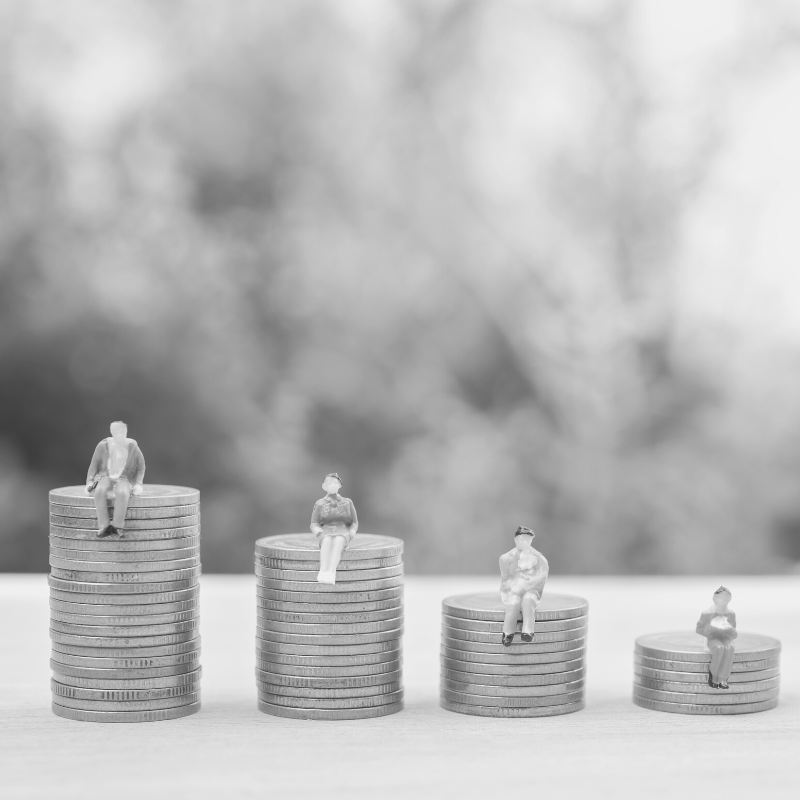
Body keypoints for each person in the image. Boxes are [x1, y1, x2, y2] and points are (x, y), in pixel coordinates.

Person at [85, 421, 145, 538]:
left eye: (121, 432)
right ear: (111, 432)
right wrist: (90, 482)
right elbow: (93, 466)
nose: (119, 435)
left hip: (124, 478)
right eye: (115, 432)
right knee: (100, 491)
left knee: (122, 493)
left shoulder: (133, 447)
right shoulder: (103, 446)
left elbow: (141, 467)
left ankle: (117, 526)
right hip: (105, 476)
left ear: (126, 432)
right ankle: (104, 526)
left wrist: (138, 483)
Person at [498, 526, 549, 646]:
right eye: (522, 539)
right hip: (514, 590)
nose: (525, 542)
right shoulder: (506, 558)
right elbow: (505, 580)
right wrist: (515, 588)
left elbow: (542, 577)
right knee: (513, 602)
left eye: (528, 540)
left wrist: (527, 586)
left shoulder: (539, 559)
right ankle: (507, 634)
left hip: (532, 590)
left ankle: (528, 631)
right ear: (516, 540)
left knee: (529, 600)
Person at [310, 473, 358, 584]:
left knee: (339, 541)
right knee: (326, 541)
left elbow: (354, 522)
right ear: (324, 486)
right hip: (325, 531)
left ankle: (331, 572)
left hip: (342, 531)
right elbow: (314, 523)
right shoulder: (320, 504)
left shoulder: (347, 502)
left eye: (334, 482)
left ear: (340, 485)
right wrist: (317, 530)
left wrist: (352, 531)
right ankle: (323, 571)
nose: (332, 485)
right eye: (329, 483)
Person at [695, 586, 738, 689]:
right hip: (713, 638)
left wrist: (729, 631)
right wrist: (708, 631)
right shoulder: (707, 613)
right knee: (719, 648)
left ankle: (723, 678)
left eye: (726, 599)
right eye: (720, 598)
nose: (723, 601)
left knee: (730, 647)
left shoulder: (731, 614)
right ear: (714, 598)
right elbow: (699, 629)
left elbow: (734, 632)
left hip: (725, 637)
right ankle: (714, 677)